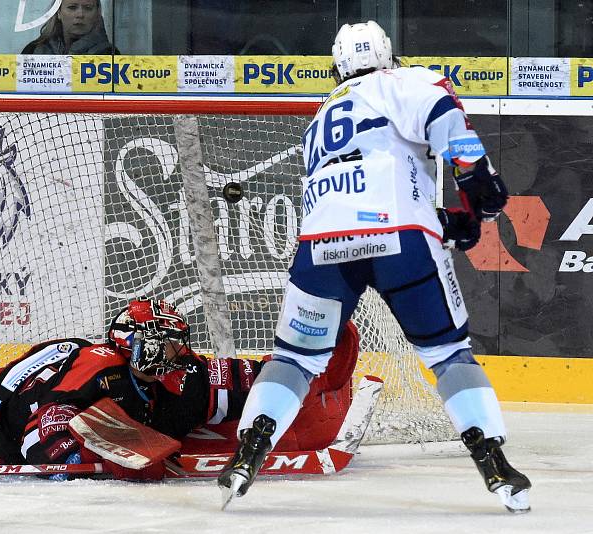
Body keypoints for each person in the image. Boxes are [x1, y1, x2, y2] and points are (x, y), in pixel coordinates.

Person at [218, 20, 531, 514]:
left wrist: (449, 220)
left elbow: (357, 190)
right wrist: (476, 186)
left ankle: (247, 453)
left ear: (337, 67)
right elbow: (448, 124)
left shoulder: (318, 119)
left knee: (296, 360)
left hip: (321, 247)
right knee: (449, 354)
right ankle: (493, 463)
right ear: (390, 56)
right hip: (398, 239)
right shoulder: (407, 81)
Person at [0, 266, 360, 479]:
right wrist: (96, 459)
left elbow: (243, 376)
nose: (168, 358)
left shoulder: (180, 372)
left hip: (26, 397)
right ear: (127, 346)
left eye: (173, 347)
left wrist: (311, 362)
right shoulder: (95, 376)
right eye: (155, 347)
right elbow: (47, 441)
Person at [21, 0, 117, 55]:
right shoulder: (33, 50)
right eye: (72, 7)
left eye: (88, 8)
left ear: (97, 14)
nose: (80, 14)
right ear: (58, 12)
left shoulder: (109, 54)